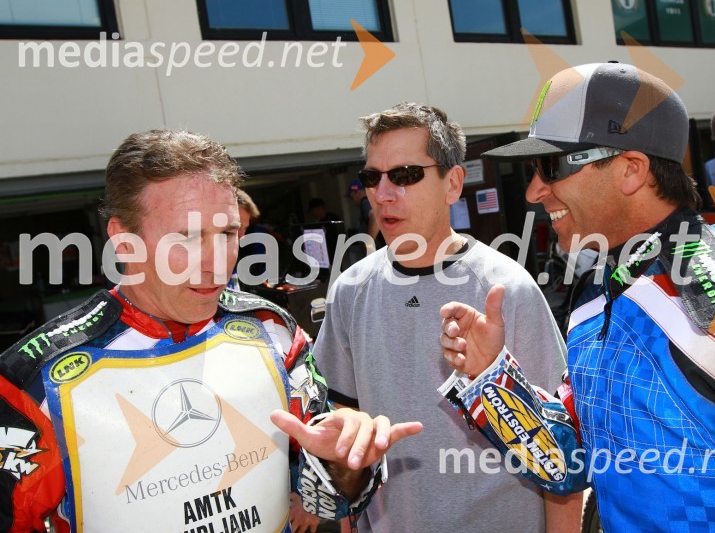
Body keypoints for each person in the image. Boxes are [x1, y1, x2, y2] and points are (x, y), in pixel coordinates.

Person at [438, 63, 715, 532]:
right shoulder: (595, 293)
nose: (534, 190)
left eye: (550, 167)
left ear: (630, 169)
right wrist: (491, 377)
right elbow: (569, 465)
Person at [0, 129, 421, 533]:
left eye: (227, 233)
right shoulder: (34, 381)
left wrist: (348, 462)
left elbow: (327, 500)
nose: (217, 262)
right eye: (186, 237)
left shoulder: (272, 332)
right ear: (124, 242)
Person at [312, 103, 582, 533]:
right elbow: (345, 438)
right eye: (371, 178)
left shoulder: (506, 287)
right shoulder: (350, 290)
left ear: (453, 183)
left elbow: (561, 450)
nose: (383, 194)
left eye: (404, 175)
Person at [345, 179, 383, 251]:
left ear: (355, 192)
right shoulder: (372, 201)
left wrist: (369, 244)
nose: (352, 200)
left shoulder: (365, 201)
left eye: (351, 197)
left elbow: (375, 215)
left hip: (377, 251)